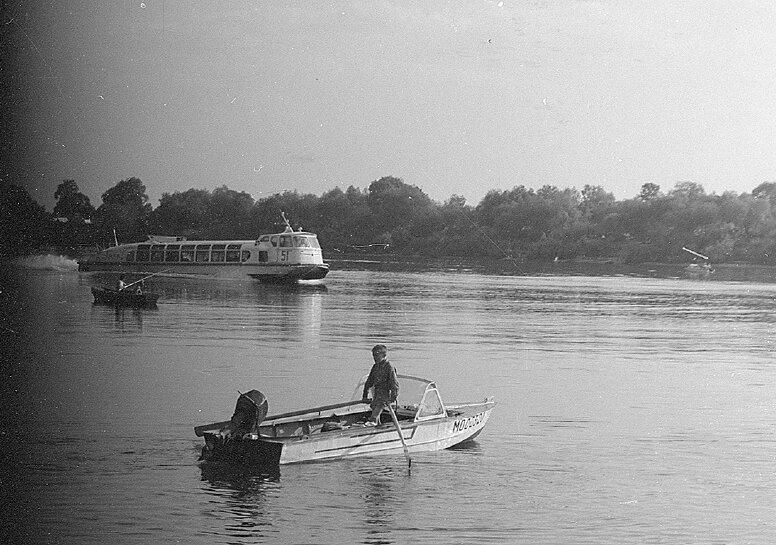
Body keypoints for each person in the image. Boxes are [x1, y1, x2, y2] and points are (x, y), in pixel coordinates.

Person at [361, 344, 399, 426]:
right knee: (375, 408)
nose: (374, 358)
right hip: (376, 393)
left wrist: (392, 398)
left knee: (375, 414)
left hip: (385, 395)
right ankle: (377, 427)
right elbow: (369, 382)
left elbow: (394, 384)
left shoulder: (389, 367)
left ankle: (373, 422)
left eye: (377, 355)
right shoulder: (375, 366)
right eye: (373, 355)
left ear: (384, 355)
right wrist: (365, 396)